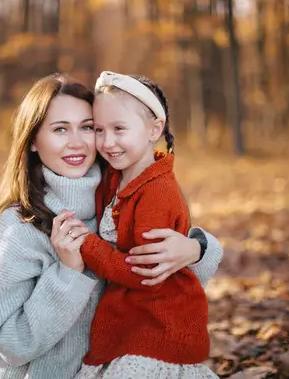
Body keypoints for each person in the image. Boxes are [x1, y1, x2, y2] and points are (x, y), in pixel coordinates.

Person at [0, 73, 223, 379]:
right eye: (60, 129)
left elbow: (168, 287)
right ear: (33, 140)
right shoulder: (18, 226)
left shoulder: (121, 193)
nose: (76, 142)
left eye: (87, 128)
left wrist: (195, 248)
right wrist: (67, 273)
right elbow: (11, 344)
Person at [55, 71, 218, 378]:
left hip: (157, 327)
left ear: (154, 129)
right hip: (129, 323)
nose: (108, 142)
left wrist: (87, 243)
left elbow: (143, 273)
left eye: (119, 129)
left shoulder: (157, 192)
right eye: (99, 130)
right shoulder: (118, 173)